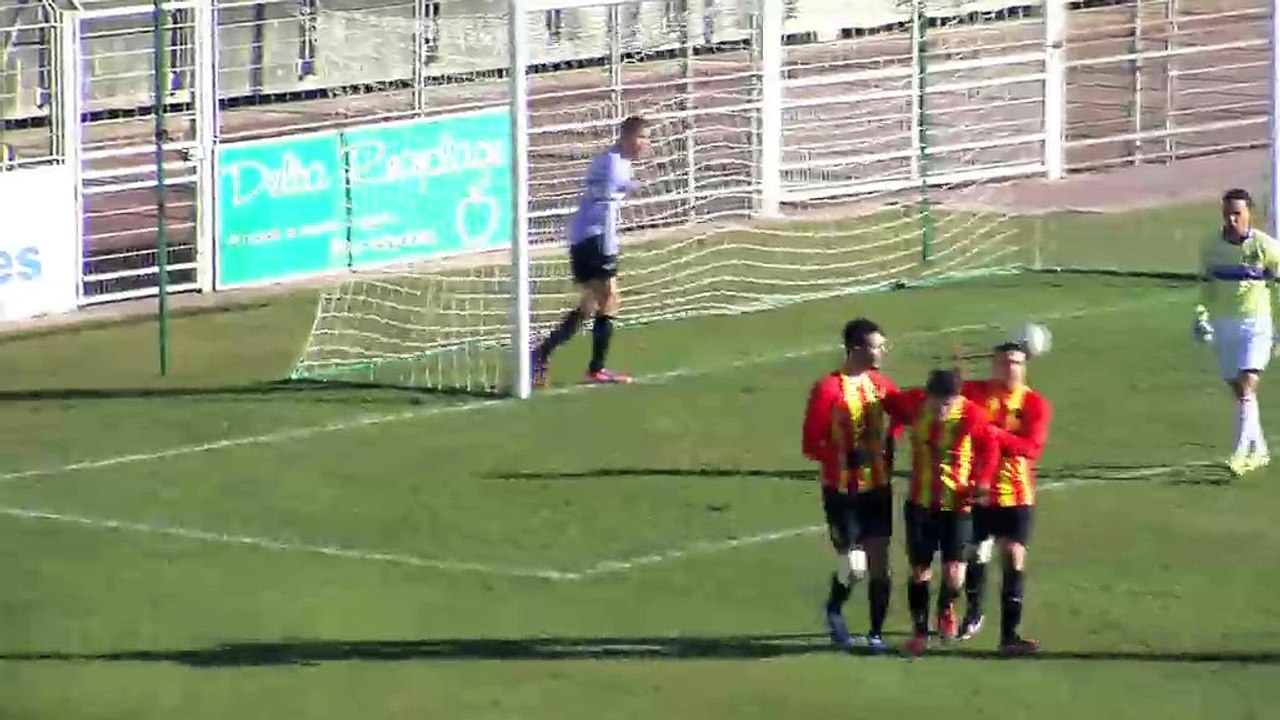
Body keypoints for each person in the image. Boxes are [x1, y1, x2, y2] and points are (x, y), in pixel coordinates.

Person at [881, 368, 1001, 656]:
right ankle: (920, 632)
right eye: (938, 403)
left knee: (954, 574)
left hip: (957, 506)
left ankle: (946, 606)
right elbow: (887, 402)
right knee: (920, 570)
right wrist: (891, 434)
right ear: (928, 396)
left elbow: (990, 448)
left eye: (949, 403)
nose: (943, 409)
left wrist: (982, 481)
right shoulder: (913, 403)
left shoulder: (972, 416)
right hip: (919, 504)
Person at [802, 318, 898, 653]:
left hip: (878, 488)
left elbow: (903, 412)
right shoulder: (827, 389)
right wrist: (841, 456)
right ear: (856, 348)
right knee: (854, 567)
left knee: (880, 565)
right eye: (876, 345)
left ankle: (876, 634)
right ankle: (833, 609)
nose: (883, 351)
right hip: (843, 492)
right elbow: (810, 442)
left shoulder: (881, 385)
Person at [532, 116, 651, 386]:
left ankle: (540, 354)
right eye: (640, 137)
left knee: (589, 305)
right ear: (626, 137)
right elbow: (606, 208)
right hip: (595, 239)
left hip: (582, 237)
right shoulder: (614, 166)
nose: (644, 144)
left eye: (647, 138)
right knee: (610, 298)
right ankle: (596, 369)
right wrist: (610, 250)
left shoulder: (612, 160)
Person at [957, 342, 1051, 656]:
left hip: (1016, 494)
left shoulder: (1034, 404)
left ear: (1024, 367)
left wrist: (994, 435)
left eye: (1015, 363)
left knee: (1012, 555)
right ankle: (973, 611)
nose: (1009, 368)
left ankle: (1009, 635)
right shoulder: (974, 392)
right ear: (993, 365)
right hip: (978, 491)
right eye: (1003, 362)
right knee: (976, 554)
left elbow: (1031, 448)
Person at [1195, 188, 1280, 475]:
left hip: (1256, 322)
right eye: (1227, 213)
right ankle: (1261, 450)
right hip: (1224, 323)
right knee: (1240, 391)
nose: (1231, 219)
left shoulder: (1266, 247)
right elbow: (1207, 285)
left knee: (1246, 385)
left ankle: (1241, 453)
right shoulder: (1210, 246)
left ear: (1249, 214)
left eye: (1237, 214)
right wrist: (1201, 315)